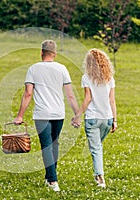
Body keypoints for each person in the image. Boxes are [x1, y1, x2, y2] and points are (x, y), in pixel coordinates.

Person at [14, 40, 79, 192]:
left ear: (41, 53)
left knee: (47, 146)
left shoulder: (33, 69)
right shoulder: (62, 68)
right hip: (59, 113)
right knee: (54, 144)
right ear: (55, 54)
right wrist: (77, 114)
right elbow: (70, 95)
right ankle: (51, 175)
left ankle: (52, 180)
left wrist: (20, 116)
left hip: (42, 114)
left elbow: (28, 93)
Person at [71, 48, 117, 188]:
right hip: (107, 118)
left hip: (92, 119)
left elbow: (87, 99)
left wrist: (77, 116)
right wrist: (114, 120)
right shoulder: (110, 78)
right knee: (98, 146)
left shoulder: (86, 78)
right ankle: (99, 173)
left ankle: (100, 177)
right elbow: (112, 100)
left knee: (96, 148)